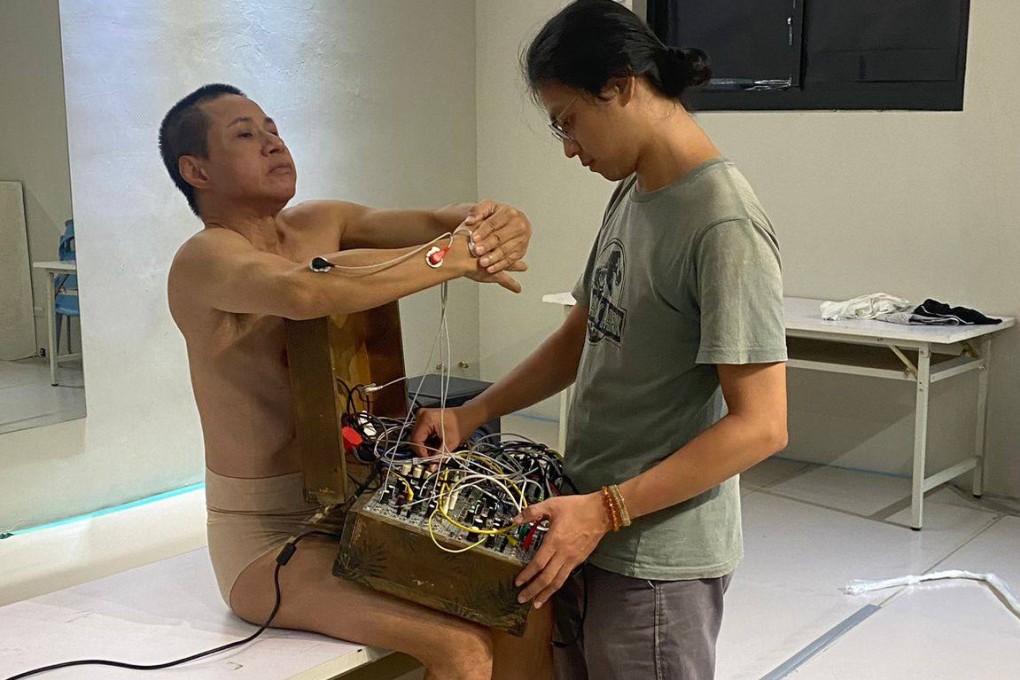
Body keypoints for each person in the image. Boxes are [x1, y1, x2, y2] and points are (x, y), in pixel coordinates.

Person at [411, 2, 788, 678]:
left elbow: (762, 426)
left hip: (655, 564)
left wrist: (607, 510)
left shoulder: (722, 223)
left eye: (569, 121)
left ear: (620, 85)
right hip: (588, 528)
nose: (568, 147)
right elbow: (582, 335)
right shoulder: (637, 190)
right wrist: (474, 413)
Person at [162, 83, 553, 680]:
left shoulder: (325, 221)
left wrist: (499, 223)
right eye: (245, 134)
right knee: (460, 648)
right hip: (271, 540)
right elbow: (305, 290)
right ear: (197, 171)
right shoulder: (204, 258)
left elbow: (438, 221)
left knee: (522, 594)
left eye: (273, 128)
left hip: (364, 504)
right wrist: (454, 256)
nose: (273, 143)